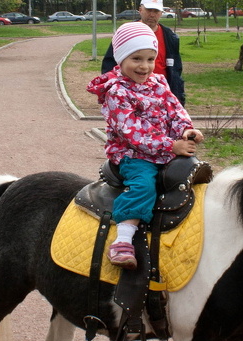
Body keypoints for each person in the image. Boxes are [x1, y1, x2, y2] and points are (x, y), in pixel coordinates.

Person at [87, 21, 203, 269]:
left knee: (195, 178)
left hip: (164, 148)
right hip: (133, 154)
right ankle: (123, 240)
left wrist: (186, 129)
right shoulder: (117, 91)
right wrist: (171, 146)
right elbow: (133, 132)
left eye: (150, 59)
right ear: (120, 59)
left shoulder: (159, 82)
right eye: (136, 59)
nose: (145, 66)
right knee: (143, 185)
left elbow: (175, 109)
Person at [102, 0, 186, 106]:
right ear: (140, 10)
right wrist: (114, 92)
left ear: (161, 13)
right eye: (148, 10)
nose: (152, 14)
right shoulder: (126, 33)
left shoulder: (170, 37)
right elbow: (109, 64)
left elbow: (176, 71)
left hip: (161, 97)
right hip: (131, 97)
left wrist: (179, 99)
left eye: (156, 11)